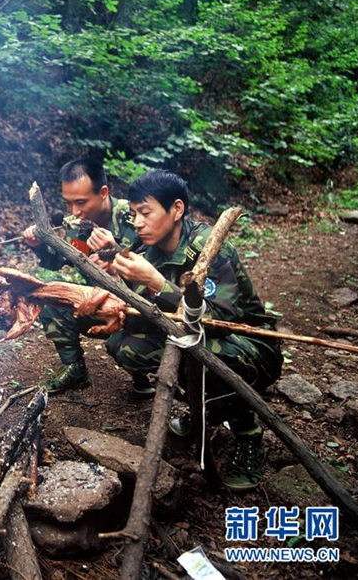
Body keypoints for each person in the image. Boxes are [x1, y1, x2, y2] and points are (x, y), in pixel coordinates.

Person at [105, 170, 283, 490]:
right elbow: (150, 318)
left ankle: (248, 435)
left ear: (176, 209)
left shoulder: (209, 248)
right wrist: (120, 297)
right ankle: (206, 411)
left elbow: (217, 323)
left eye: (145, 213)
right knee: (123, 344)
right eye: (133, 214)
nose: (137, 223)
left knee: (198, 354)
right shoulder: (150, 251)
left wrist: (157, 283)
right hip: (198, 339)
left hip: (250, 346)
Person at [22, 158, 138, 395]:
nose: (74, 211)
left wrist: (116, 256)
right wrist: (39, 246)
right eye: (68, 203)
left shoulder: (136, 216)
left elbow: (159, 270)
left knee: (127, 347)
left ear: (103, 193)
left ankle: (145, 376)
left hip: (140, 309)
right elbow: (59, 260)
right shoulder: (77, 224)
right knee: (51, 300)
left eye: (81, 202)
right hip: (95, 304)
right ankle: (75, 369)